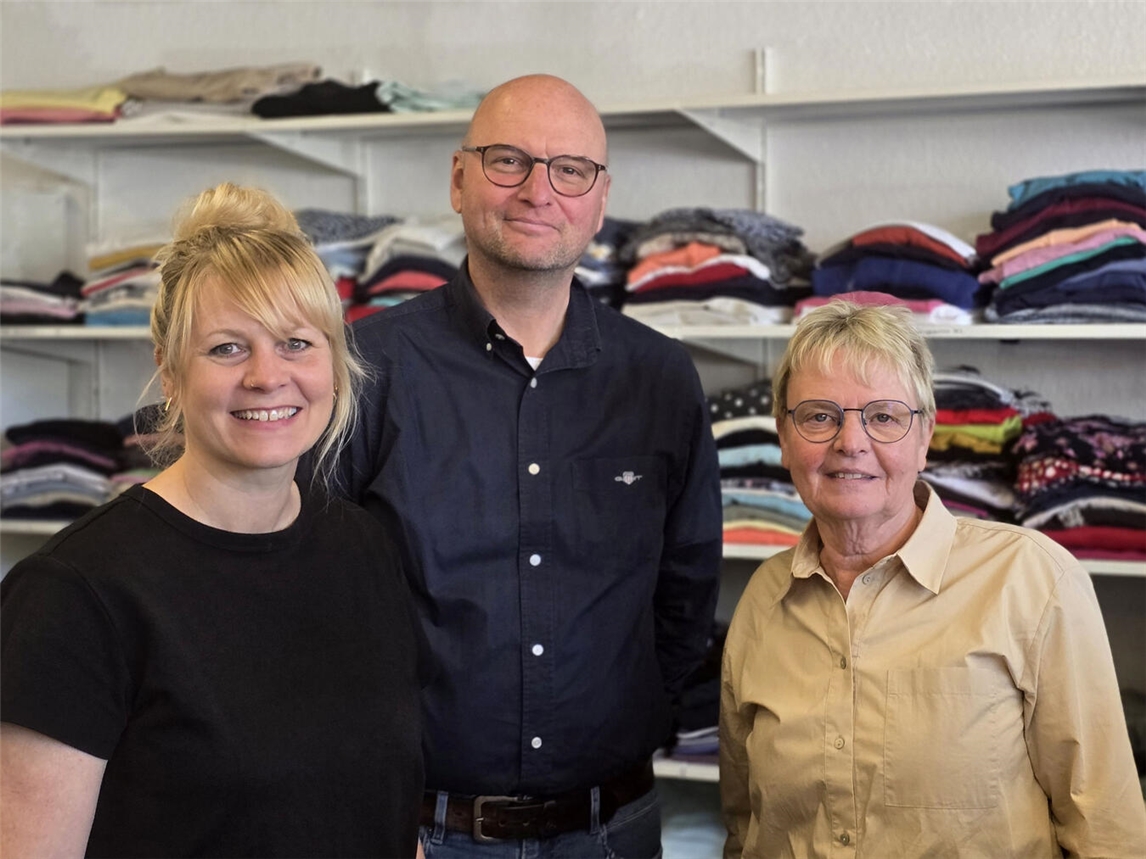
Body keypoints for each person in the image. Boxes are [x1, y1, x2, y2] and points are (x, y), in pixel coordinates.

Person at [333, 74, 722, 856]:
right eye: (508, 160)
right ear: (458, 178)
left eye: (569, 169)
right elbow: (313, 596)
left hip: (613, 829)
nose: (538, 190)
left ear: (600, 198)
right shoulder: (366, 367)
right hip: (420, 832)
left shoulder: (660, 378)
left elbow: (685, 596)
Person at [1, 182, 426, 858]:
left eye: (295, 342)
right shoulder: (75, 594)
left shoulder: (362, 547)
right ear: (169, 372)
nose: (267, 375)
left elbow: (391, 814)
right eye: (227, 348)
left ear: (334, 366)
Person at [719, 300, 1146, 858]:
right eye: (820, 416)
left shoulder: (1033, 582)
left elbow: (1107, 830)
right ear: (783, 436)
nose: (851, 442)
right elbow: (746, 824)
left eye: (885, 416)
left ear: (924, 439)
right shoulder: (763, 600)